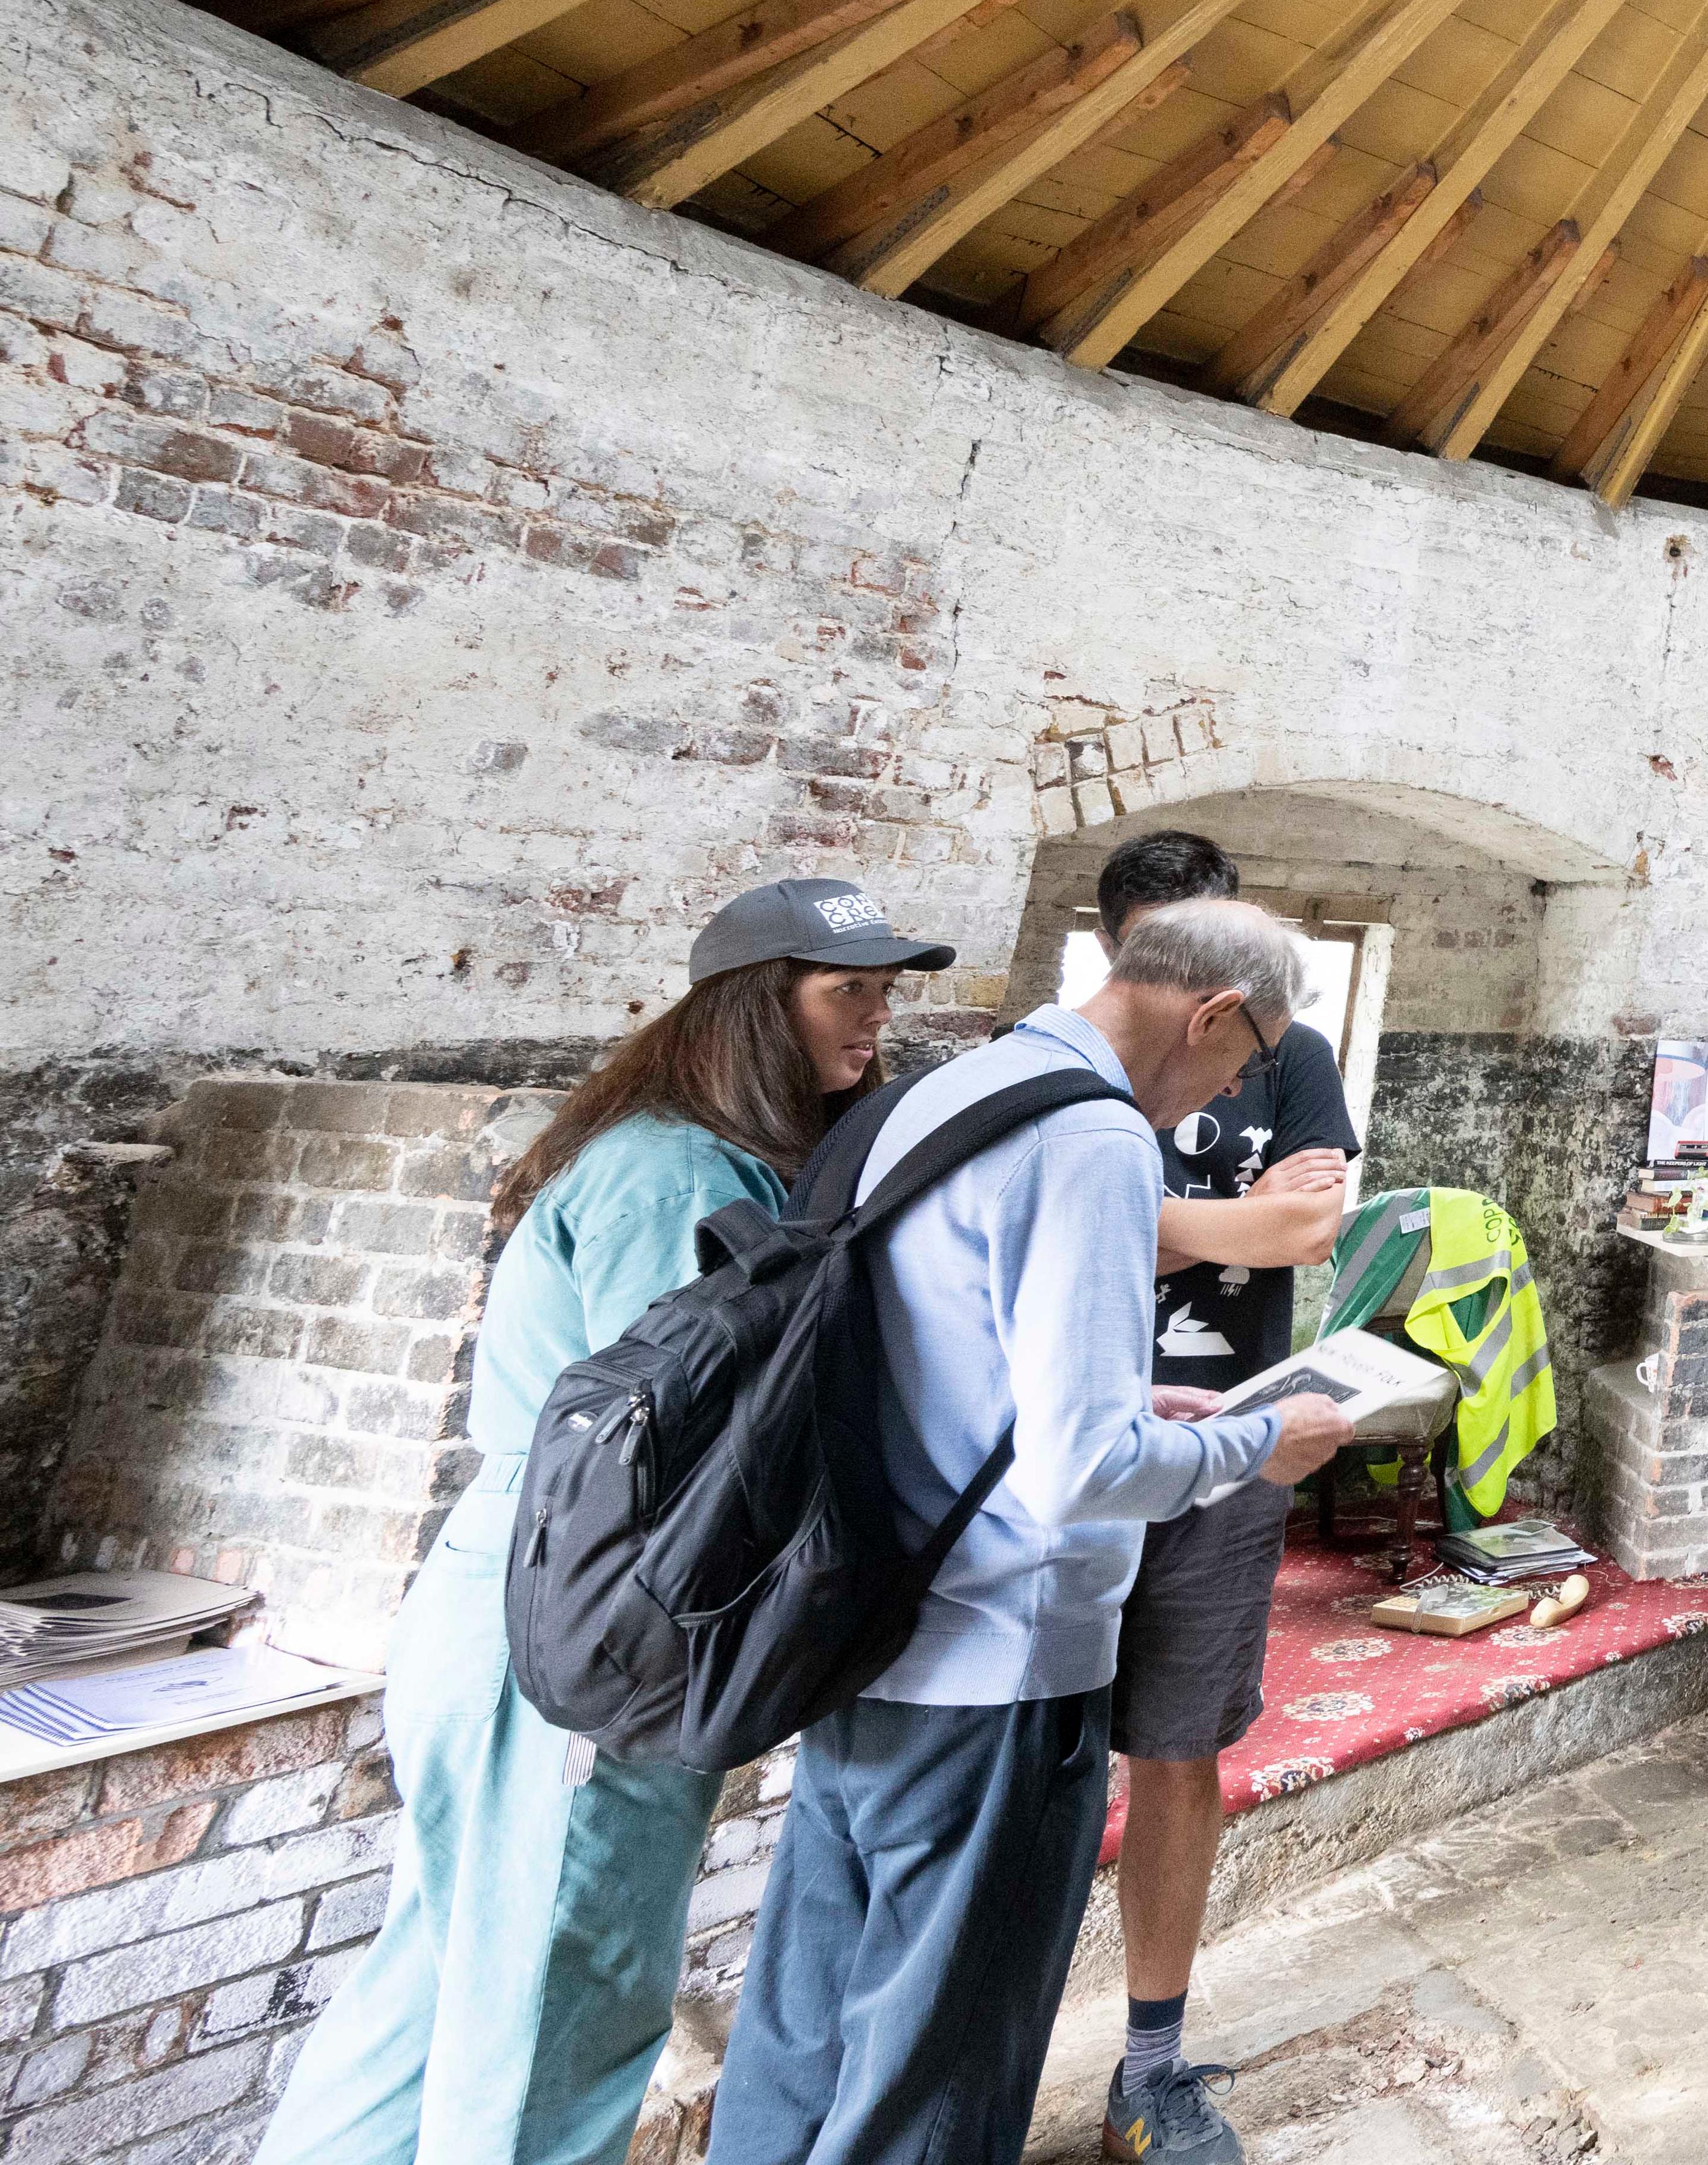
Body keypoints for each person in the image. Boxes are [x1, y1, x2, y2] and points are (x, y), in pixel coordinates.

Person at [255, 880, 949, 2165]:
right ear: (756, 1006)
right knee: (558, 2002)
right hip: (586, 1606)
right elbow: (690, 1449)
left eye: (884, 989)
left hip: (526, 1590)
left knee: (442, 1981)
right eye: (848, 989)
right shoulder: (676, 1168)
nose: (877, 1019)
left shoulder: (681, 1150)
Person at [709, 901, 1357, 2165]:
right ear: (1211, 1013)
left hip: (872, 1623)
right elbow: (1082, 1471)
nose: (1223, 1096)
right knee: (937, 2065)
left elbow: (960, 1358)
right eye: (1238, 1063)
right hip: (999, 1661)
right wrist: (1252, 1445)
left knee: (808, 2029)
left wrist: (1134, 1401)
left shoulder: (962, 1089)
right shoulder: (1096, 1137)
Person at [1075, 836, 1359, 2165]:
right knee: (1033, 1747)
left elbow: (1305, 1229)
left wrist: (1141, 1213)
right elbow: (1059, 1226)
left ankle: (1150, 2060)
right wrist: (1215, 1215)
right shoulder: (1065, 1071)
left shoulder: (1288, 1055)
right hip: (1070, 1440)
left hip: (1233, 1434)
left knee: (1180, 1748)